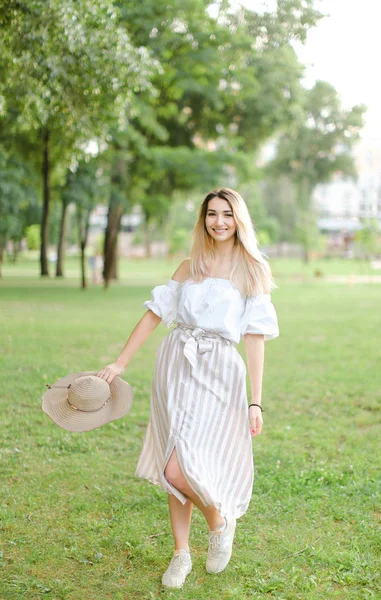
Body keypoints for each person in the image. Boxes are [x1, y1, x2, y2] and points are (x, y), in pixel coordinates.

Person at [97, 188, 279, 588]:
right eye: (212, 214)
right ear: (203, 219)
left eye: (227, 214)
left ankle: (218, 522)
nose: (219, 222)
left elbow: (255, 338)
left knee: (183, 466)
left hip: (219, 372)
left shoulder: (252, 271)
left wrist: (256, 401)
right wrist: (120, 361)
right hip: (175, 365)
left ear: (239, 219)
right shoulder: (189, 265)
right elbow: (153, 314)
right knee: (172, 459)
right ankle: (181, 553)